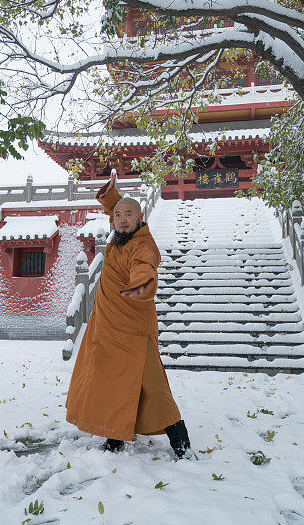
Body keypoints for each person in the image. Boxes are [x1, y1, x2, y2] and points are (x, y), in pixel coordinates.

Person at [65, 170, 193, 459]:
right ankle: (115, 438)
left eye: (128, 214)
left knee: (154, 386)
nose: (122, 218)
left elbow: (144, 266)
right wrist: (112, 194)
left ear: (140, 219)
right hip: (107, 328)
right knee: (110, 379)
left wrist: (142, 284)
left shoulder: (142, 244)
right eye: (118, 214)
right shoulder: (119, 237)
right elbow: (115, 205)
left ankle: (181, 444)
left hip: (134, 330)